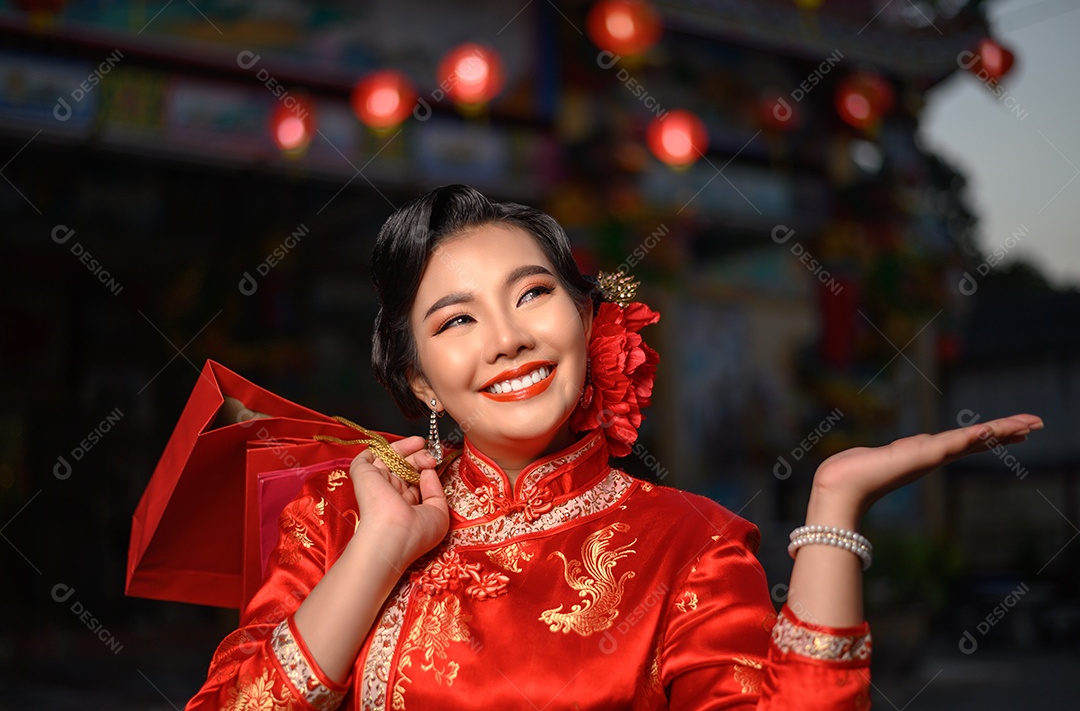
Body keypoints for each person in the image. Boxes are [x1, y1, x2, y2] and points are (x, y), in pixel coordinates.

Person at [185, 184, 1041, 710]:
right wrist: (375, 552)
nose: (508, 338)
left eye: (533, 295)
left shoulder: (688, 546)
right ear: (418, 380)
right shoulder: (340, 515)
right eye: (456, 319)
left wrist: (833, 509)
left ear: (590, 322)